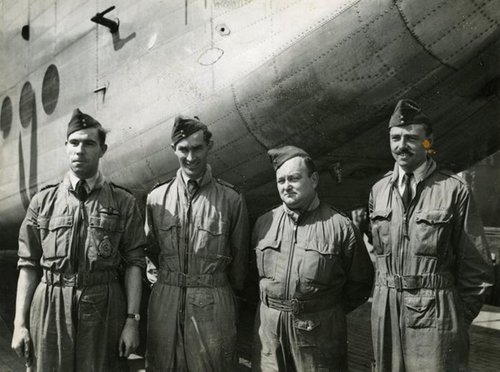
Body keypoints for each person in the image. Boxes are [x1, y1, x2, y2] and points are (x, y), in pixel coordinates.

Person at [11, 108, 147, 371]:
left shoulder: (122, 202)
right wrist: (19, 324)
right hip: (50, 305)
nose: (79, 150)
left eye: (88, 143)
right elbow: (27, 265)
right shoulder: (43, 202)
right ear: (65, 147)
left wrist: (132, 321)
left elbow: (135, 264)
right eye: (74, 143)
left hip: (103, 307)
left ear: (102, 150)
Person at [369, 99, 494, 371]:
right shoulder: (378, 191)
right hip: (386, 319)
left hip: (436, 323)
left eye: (412, 138)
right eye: (395, 138)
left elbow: (477, 269)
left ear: (428, 141)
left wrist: (454, 319)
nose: (401, 146)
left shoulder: (453, 190)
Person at [252, 145, 374, 371]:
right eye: (281, 181)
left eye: (294, 178)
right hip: (270, 336)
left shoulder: (340, 226)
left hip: (319, 337)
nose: (286, 186)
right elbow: (254, 277)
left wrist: (324, 311)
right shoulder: (264, 223)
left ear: (314, 180)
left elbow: (360, 284)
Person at [144, 115, 249, 371]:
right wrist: (165, 285)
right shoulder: (157, 198)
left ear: (209, 146)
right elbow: (149, 252)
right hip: (165, 303)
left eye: (197, 148)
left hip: (213, 303)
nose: (191, 157)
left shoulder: (231, 199)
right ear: (173, 150)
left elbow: (239, 262)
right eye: (183, 149)